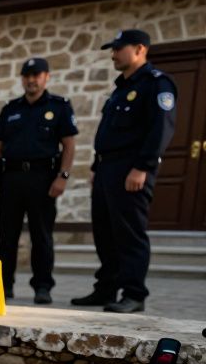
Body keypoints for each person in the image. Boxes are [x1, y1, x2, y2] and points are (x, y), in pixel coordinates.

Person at [73, 29, 177, 313]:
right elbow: (108, 132)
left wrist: (142, 167)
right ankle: (106, 288)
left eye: (119, 48)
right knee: (104, 232)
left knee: (130, 233)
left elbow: (161, 129)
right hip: (107, 168)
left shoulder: (156, 84)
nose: (113, 54)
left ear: (140, 49)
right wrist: (96, 167)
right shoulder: (121, 88)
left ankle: (134, 293)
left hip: (131, 168)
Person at [0, 57, 78, 304]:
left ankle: (42, 286)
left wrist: (63, 177)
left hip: (43, 179)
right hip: (11, 179)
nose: (31, 80)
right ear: (22, 79)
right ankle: (3, 286)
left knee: (42, 235)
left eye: (36, 75)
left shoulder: (59, 106)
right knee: (7, 236)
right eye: (27, 75)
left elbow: (69, 145)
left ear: (46, 77)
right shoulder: (10, 109)